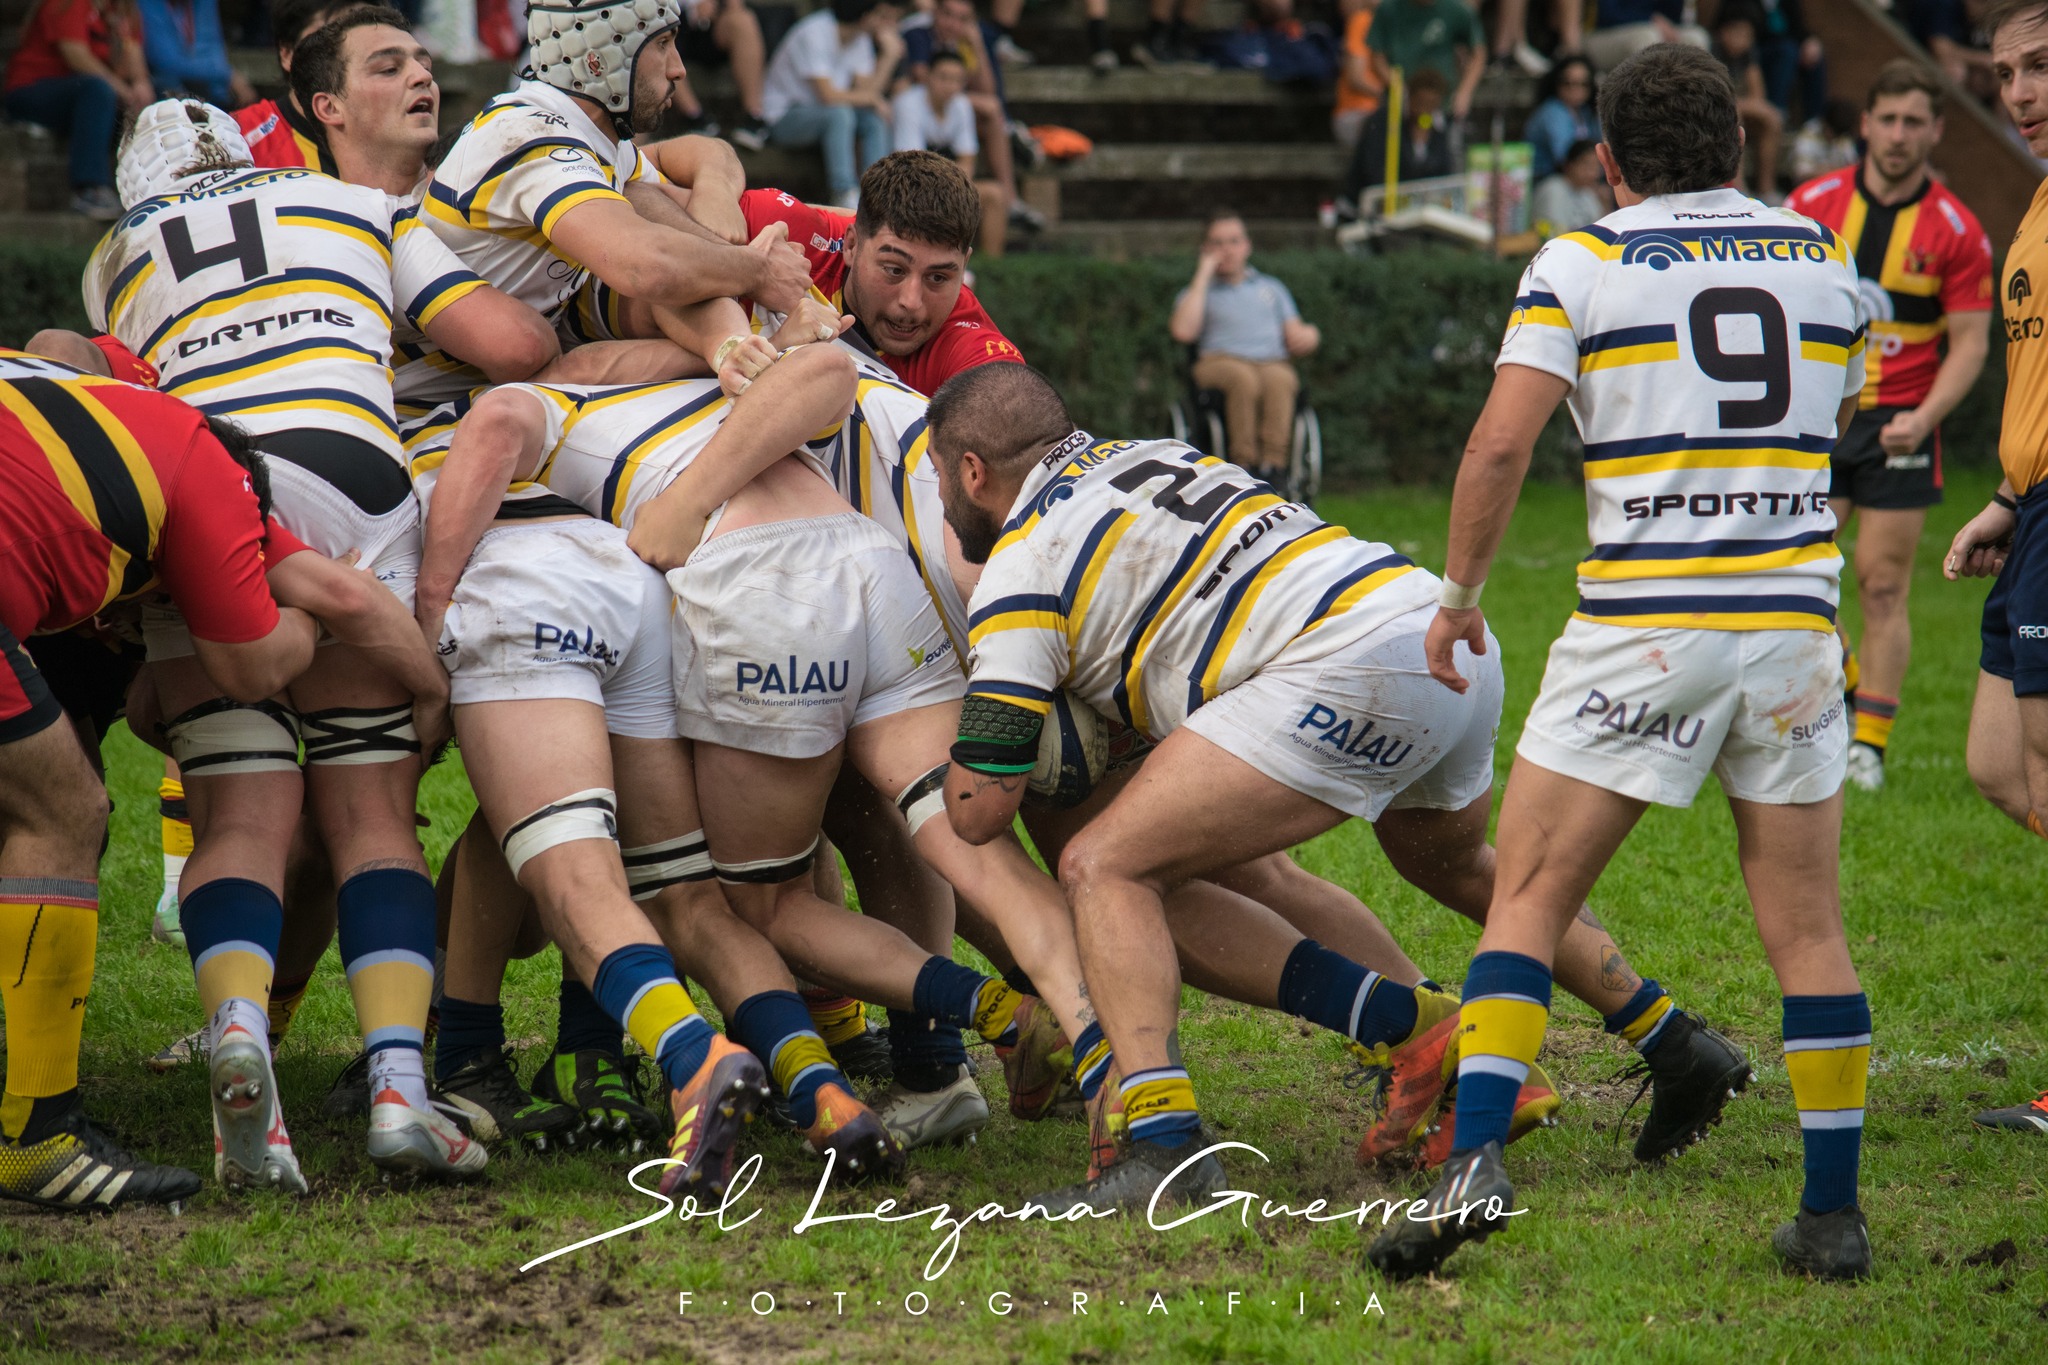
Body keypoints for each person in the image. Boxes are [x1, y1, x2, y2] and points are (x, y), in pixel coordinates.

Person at [925, 363, 1749, 1208]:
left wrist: (943, 757)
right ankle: (1674, 1040)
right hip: (1436, 627)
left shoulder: (1019, 568)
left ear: (972, 472)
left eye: (937, 476)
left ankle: (1165, 1150)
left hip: (1343, 670)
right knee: (1457, 863)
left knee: (1105, 866)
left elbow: (982, 809)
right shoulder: (1155, 455)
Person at [1367, 44, 1871, 1281]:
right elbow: (1842, 423)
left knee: (1527, 898)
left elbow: (1495, 451)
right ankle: (1830, 1217)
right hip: (1792, 624)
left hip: (1643, 625)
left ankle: (1473, 1163)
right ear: (1741, 148)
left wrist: (1460, 597)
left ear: (1605, 160)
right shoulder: (1821, 253)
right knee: (1806, 928)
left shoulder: (1580, 258)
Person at [89, 96, 558, 1187]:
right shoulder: (353, 202)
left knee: (241, 816)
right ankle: (400, 1083)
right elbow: (512, 342)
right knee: (372, 817)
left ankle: (241, 1027)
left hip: (208, 485)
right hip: (353, 474)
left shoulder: (116, 255)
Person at [0, 351, 443, 1211]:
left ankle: (233, 1021)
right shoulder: (205, 463)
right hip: (364, 473)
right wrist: (423, 685)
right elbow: (265, 654)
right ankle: (38, 1135)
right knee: (63, 809)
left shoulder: (83, 396)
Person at [1788, 60, 1993, 793]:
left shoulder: (1957, 229)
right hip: (1819, 420)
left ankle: (1867, 745)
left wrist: (1925, 417)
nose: (1900, 135)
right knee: (1803, 572)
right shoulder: (1810, 204)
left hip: (1904, 424)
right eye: (1889, 119)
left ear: (1936, 130)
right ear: (1865, 124)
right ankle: (1836, 703)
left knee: (1880, 586)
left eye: (1915, 122)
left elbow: (1969, 342)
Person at [1940, 0, 2048, 1138]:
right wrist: (2008, 499)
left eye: (2039, 67)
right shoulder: (2033, 204)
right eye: (2003, 71)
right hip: (2032, 516)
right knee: (1996, 769)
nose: (2017, 93)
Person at [737, 151, 1025, 397]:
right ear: (851, 245)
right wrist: (747, 271)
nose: (911, 302)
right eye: (894, 270)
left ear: (964, 267)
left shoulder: (968, 342)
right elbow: (703, 160)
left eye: (937, 278)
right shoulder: (778, 232)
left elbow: (1013, 411)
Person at [1169, 210, 1320, 486]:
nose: (1227, 250)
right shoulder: (1196, 292)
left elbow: (1295, 331)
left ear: (1247, 246)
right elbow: (1183, 331)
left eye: (1234, 241)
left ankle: (1274, 466)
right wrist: (1203, 274)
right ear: (1206, 249)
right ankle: (1243, 465)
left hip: (1269, 361)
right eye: (1217, 243)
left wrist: (1309, 334)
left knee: (1281, 379)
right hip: (1218, 360)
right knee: (1243, 379)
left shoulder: (1271, 288)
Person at [2, 0, 152, 218]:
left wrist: (140, 84)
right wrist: (123, 90)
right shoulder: (68, 4)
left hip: (93, 97)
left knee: (158, 91)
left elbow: (133, 53)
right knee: (97, 90)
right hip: (34, 91)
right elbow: (76, 55)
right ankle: (89, 188)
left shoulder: (122, 10)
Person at [761, 0, 903, 209]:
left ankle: (876, 193)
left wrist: (889, 57)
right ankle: (844, 193)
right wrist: (873, 98)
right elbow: (827, 95)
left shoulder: (860, 38)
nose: (886, 23)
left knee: (873, 120)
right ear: (866, 17)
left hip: (825, 114)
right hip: (783, 117)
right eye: (880, 16)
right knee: (839, 113)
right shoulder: (814, 32)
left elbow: (868, 92)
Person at [231, 0, 358, 171]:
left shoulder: (400, 133)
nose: (347, 52)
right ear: (287, 53)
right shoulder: (236, 136)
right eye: (326, 38)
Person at [1341, 62, 1457, 205]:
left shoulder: (1440, 131)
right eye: (1421, 103)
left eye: (1431, 104)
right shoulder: (1384, 123)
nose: (1424, 111)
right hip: (1376, 204)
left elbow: (1443, 175)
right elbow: (1373, 172)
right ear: (1411, 98)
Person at [667, 0, 771, 149]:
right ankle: (695, 118)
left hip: (711, 26)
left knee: (742, 19)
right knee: (656, 33)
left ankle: (754, 118)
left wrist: (717, 6)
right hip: (669, 21)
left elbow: (735, 5)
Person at [1367, 0, 1485, 121]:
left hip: (1442, 104)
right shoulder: (1389, 8)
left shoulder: (1456, 9)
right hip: (1401, 105)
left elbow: (1479, 53)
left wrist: (1464, 92)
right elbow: (1377, 56)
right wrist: (1397, 85)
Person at [1713, 2, 1782, 201]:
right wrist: (1742, 105)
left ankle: (1766, 189)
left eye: (1749, 35)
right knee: (1735, 114)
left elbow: (1758, 95)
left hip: (1740, 109)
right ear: (1725, 30)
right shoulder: (1711, 50)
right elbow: (1718, 99)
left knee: (1772, 119)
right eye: (1740, 33)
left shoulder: (1747, 55)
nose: (1745, 40)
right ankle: (1739, 188)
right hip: (1715, 119)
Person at [137, 0, 254, 108]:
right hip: (165, 79)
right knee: (170, 83)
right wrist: (227, 74)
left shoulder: (204, 3)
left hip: (205, 81)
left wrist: (225, 74)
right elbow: (165, 60)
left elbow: (214, 48)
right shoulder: (147, 3)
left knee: (226, 94)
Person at [891, 49, 977, 162]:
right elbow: (912, 163)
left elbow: (967, 159)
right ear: (928, 75)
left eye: (957, 80)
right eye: (943, 78)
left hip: (943, 172)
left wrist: (959, 180)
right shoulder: (907, 104)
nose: (950, 86)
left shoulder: (962, 104)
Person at [1751, 0, 1826, 127]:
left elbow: (1797, 27)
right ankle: (1778, 111)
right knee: (1787, 52)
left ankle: (1813, 123)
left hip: (1788, 49)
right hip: (1760, 50)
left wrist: (1808, 40)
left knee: (1815, 55)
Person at [1525, 53, 1596, 182]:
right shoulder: (1552, 111)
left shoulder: (1585, 112)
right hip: (1547, 180)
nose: (1575, 89)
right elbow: (1564, 158)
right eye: (1567, 83)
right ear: (1556, 84)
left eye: (1583, 84)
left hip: (1578, 180)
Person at [1584, 0, 1708, 72]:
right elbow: (1607, 15)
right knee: (1647, 37)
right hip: (1599, 35)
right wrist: (1650, 19)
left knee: (1696, 37)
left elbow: (1675, 16)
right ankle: (1650, 105)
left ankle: (1694, 105)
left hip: (1651, 28)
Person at [1530, 137, 1606, 235]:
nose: (1593, 173)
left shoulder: (1587, 192)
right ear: (1569, 164)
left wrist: (1605, 203)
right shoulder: (1553, 188)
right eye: (1587, 165)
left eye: (1597, 166)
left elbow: (1601, 231)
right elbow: (1555, 234)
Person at [1333, 0, 1382, 146]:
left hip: (1389, 114)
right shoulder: (1362, 20)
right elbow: (1356, 78)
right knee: (1383, 128)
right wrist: (1394, 96)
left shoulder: (1401, 26)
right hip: (1356, 114)